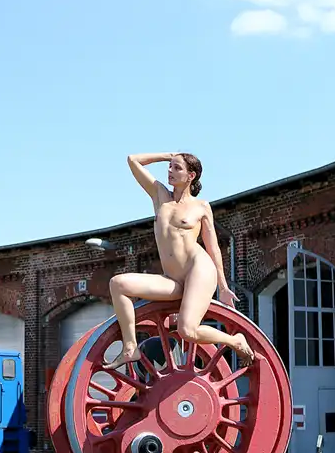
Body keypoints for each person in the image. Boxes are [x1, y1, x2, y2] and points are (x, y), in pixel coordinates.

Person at [104, 152, 254, 370]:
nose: (170, 171)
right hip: (172, 278)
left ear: (191, 175)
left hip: (198, 270)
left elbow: (212, 247)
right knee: (118, 284)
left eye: (177, 168)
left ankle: (235, 340)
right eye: (170, 167)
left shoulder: (201, 206)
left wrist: (222, 286)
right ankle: (130, 348)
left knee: (188, 330)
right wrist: (168, 155)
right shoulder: (159, 195)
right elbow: (132, 159)